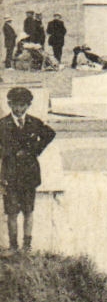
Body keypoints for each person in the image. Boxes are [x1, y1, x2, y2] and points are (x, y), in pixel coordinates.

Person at [2, 88, 55, 253]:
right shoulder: (2, 124)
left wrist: (35, 150)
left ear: (28, 105)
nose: (18, 109)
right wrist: (7, 154)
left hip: (29, 175)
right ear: (9, 104)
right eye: (15, 105)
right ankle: (13, 246)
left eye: (22, 105)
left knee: (28, 210)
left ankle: (26, 245)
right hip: (9, 175)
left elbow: (50, 134)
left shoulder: (34, 123)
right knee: (11, 212)